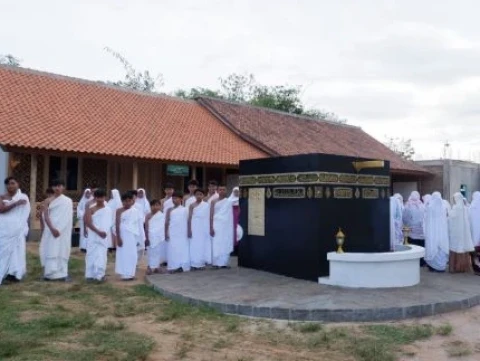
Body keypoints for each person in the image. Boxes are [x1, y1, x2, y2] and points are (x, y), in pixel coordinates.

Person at [40, 179, 73, 281]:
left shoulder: (67, 201)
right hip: (50, 229)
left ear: (63, 187)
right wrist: (52, 229)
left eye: (59, 186)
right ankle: (49, 274)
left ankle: (62, 274)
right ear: (52, 187)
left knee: (62, 249)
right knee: (50, 248)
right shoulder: (47, 201)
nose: (57, 188)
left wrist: (59, 229)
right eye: (55, 186)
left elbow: (67, 217)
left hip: (63, 231)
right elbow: (46, 216)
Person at [0, 177, 30, 285]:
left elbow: (25, 214)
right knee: (3, 252)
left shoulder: (24, 197)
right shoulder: (2, 197)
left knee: (17, 251)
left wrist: (21, 228)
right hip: (4, 229)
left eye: (13, 183)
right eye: (8, 184)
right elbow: (1, 210)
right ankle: (3, 273)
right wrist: (15, 203)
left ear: (18, 184)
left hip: (17, 229)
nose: (10, 185)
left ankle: (15, 274)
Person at [115, 192, 144, 281]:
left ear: (133, 201)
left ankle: (131, 274)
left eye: (129, 201)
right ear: (122, 201)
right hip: (123, 235)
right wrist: (118, 237)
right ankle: (124, 274)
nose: (127, 203)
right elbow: (117, 224)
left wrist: (141, 238)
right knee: (123, 254)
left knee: (132, 255)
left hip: (132, 235)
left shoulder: (136, 211)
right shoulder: (119, 211)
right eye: (125, 201)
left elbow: (139, 225)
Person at [84, 189, 112, 282]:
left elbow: (109, 223)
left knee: (101, 255)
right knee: (91, 254)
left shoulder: (108, 210)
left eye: (102, 197)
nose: (100, 199)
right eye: (98, 197)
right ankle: (90, 275)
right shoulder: (91, 209)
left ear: (105, 197)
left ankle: (100, 275)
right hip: (93, 235)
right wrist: (98, 231)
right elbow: (88, 222)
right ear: (95, 198)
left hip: (103, 236)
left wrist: (104, 232)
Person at [449, 192, 475, 273]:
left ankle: (453, 268)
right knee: (463, 250)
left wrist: (448, 211)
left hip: (456, 232)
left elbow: (451, 217)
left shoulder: (455, 208)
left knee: (454, 250)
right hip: (464, 233)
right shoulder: (465, 208)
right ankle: (463, 268)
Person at [424, 192, 449, 272]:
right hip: (442, 232)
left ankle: (433, 266)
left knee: (433, 246)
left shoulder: (430, 207)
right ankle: (441, 266)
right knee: (441, 248)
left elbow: (427, 220)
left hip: (432, 232)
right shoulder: (443, 206)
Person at [165, 191, 190, 273]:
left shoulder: (185, 209)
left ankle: (182, 266)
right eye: (173, 198)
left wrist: (189, 231)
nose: (174, 200)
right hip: (172, 232)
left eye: (176, 198)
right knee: (172, 249)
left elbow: (188, 221)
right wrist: (166, 232)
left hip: (182, 233)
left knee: (182, 249)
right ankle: (173, 266)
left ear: (181, 199)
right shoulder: (169, 210)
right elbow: (167, 222)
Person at [210, 185, 234, 268]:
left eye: (224, 189)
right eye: (220, 189)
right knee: (217, 243)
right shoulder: (213, 201)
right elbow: (211, 215)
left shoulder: (229, 201)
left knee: (225, 242)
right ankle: (216, 263)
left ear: (226, 191)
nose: (222, 191)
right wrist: (211, 227)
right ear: (218, 190)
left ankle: (224, 263)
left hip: (226, 226)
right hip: (216, 225)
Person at [188, 189, 209, 270]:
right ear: (195, 195)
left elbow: (207, 217)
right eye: (197, 194)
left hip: (203, 227)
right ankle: (194, 263)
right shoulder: (192, 205)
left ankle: (201, 263)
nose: (199, 196)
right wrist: (189, 229)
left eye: (200, 194)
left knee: (202, 244)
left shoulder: (206, 205)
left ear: (203, 195)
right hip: (194, 226)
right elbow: (189, 218)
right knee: (194, 244)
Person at [403, 191, 426, 264]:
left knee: (413, 246)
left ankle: (414, 262)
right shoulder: (422, 205)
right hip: (421, 230)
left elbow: (405, 218)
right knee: (422, 246)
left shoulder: (408, 206)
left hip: (412, 231)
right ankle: (422, 262)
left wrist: (407, 224)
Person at [145, 199, 166, 274]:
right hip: (151, 236)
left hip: (159, 237)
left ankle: (157, 267)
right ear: (150, 206)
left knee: (158, 252)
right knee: (151, 252)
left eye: (157, 205)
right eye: (153, 205)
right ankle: (150, 267)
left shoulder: (162, 215)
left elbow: (163, 226)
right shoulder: (148, 215)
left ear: (160, 206)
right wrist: (146, 238)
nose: (155, 207)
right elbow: (146, 227)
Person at [77, 188, 92, 252]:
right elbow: (79, 209)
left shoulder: (92, 200)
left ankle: (89, 246)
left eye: (89, 193)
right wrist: (83, 214)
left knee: (90, 232)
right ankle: (83, 247)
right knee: (83, 232)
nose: (88, 194)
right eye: (86, 193)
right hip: (83, 219)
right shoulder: (82, 201)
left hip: (90, 219)